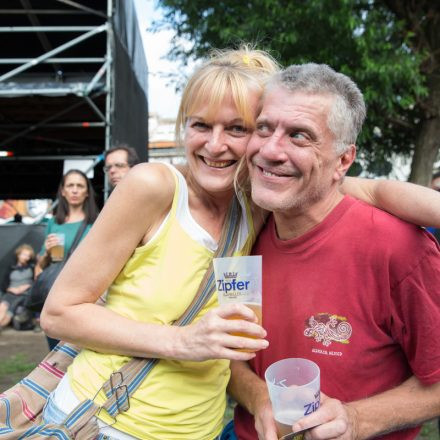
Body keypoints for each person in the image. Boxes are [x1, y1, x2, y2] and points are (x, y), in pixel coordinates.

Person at [40, 48, 440, 440]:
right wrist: (198, 351)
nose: (217, 146)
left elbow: (366, 190)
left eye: (238, 129)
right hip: (109, 420)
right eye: (201, 125)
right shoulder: (185, 196)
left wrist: (352, 418)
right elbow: (60, 314)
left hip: (200, 429)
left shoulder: (264, 205)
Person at [228, 63, 440, 440]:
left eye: (299, 136)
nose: (270, 150)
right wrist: (260, 397)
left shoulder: (401, 249)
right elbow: (233, 359)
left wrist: (355, 419)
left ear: (343, 161)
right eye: (264, 128)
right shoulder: (245, 233)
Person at [36, 169, 99, 349]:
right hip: (55, 295)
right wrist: (47, 252)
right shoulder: (54, 223)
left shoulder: (96, 223)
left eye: (80, 186)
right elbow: (39, 268)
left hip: (84, 294)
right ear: (62, 191)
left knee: (80, 349)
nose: (74, 190)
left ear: (87, 192)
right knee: (55, 349)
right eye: (70, 185)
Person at [0, 244, 35, 329]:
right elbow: (4, 285)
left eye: (28, 256)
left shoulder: (32, 268)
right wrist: (12, 289)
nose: (26, 257)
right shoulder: (11, 268)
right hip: (10, 293)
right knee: (3, 307)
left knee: (9, 313)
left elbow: (36, 282)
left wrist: (27, 286)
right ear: (18, 254)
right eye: (24, 254)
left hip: (23, 295)